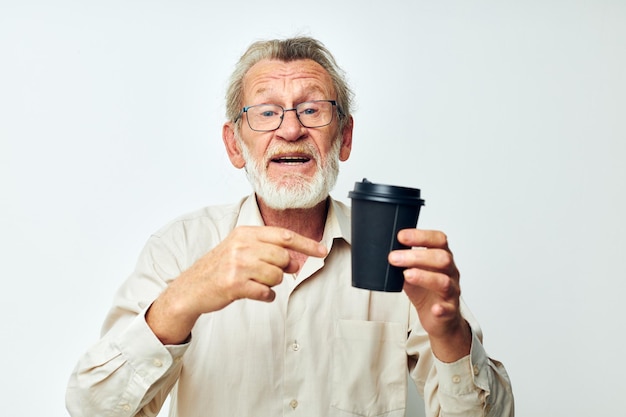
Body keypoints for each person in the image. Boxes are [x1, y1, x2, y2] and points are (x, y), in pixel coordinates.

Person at [66, 36, 514, 417]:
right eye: (266, 112)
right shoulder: (179, 247)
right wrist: (182, 300)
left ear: (345, 137)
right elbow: (92, 407)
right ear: (234, 145)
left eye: (312, 110)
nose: (291, 129)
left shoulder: (396, 254)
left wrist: (449, 330)